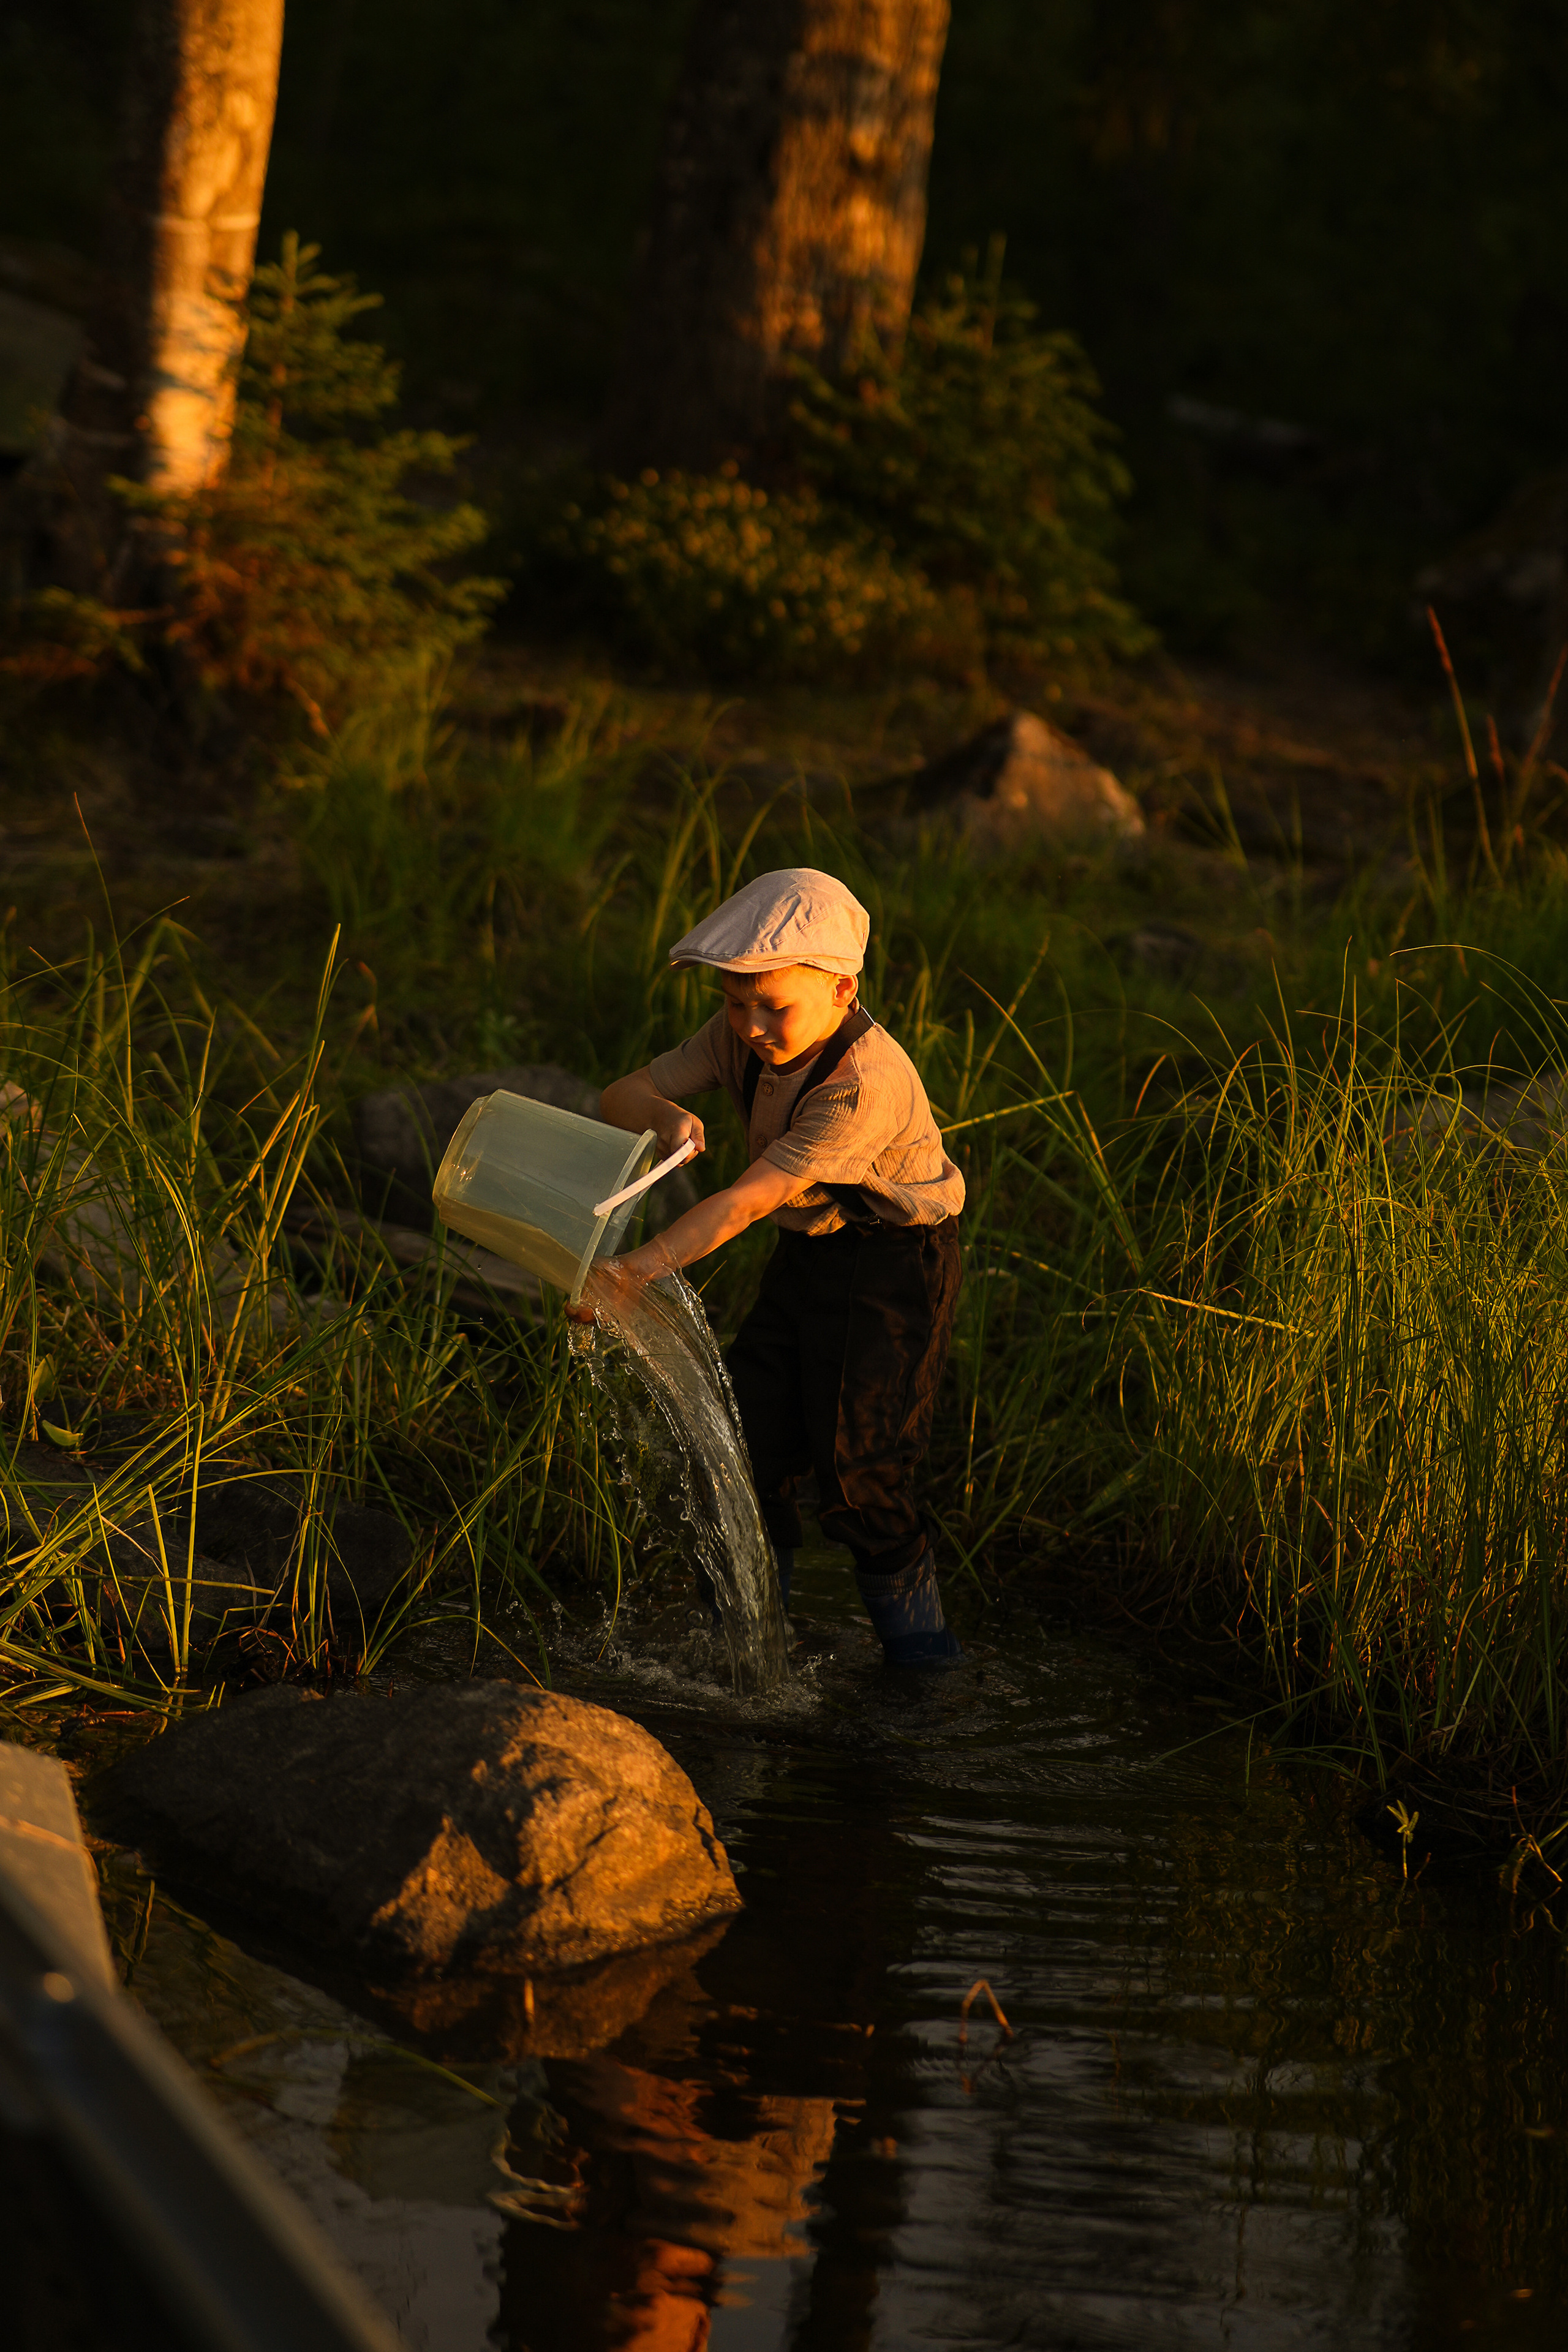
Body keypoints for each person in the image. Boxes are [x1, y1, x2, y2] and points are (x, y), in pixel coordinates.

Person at [582, 866, 965, 1666]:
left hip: (893, 1267)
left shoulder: (863, 1085)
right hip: (810, 1251)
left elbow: (748, 1201)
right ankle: (752, 1654)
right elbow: (621, 1094)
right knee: (750, 1440)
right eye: (733, 1003)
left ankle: (924, 1671)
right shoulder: (740, 1033)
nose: (751, 1026)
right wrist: (665, 1114)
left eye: (773, 1008)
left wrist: (635, 1273)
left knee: (862, 1475)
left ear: (843, 990)